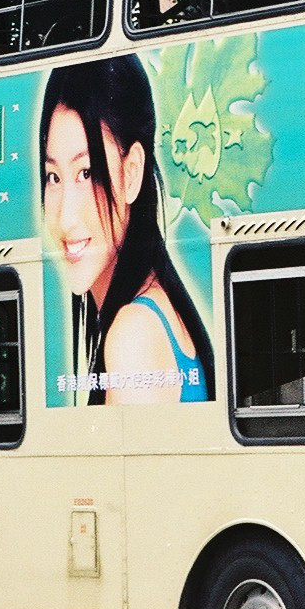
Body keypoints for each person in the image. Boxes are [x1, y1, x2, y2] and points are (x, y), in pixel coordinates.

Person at [40, 56, 213, 405]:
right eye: (54, 177)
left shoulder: (134, 333)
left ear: (131, 172)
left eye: (87, 173)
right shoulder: (156, 309)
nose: (66, 217)